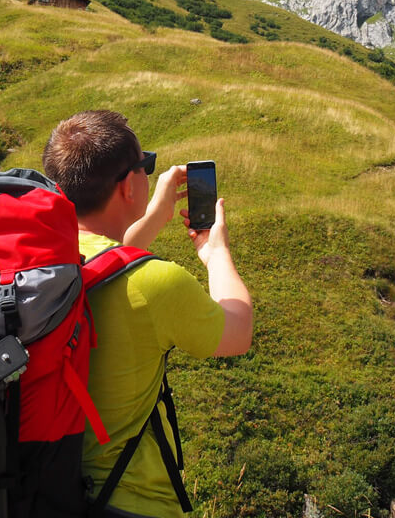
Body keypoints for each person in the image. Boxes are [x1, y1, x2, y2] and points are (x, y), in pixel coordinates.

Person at [42, 110, 253, 518]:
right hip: (131, 501)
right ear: (126, 186)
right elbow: (238, 331)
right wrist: (216, 253)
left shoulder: (45, 262)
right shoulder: (155, 283)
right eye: (145, 166)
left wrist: (153, 215)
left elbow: (104, 259)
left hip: (44, 491)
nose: (148, 176)